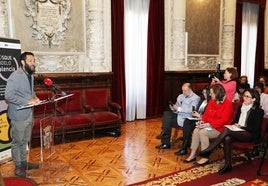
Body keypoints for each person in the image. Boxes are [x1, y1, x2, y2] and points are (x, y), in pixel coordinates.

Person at [198, 89, 264, 174]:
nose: (244, 98)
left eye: (247, 97)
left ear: (254, 99)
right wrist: (233, 125)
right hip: (238, 131)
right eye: (244, 96)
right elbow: (235, 121)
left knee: (226, 130)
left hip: (250, 134)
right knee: (227, 138)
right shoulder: (241, 107)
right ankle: (228, 165)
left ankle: (210, 149)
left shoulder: (258, 111)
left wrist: (241, 127)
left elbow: (255, 128)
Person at [5, 52, 40, 177]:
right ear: (23, 62)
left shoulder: (30, 75)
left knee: (24, 141)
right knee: (17, 141)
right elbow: (8, 96)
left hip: (28, 114)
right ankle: (18, 166)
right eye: (30, 61)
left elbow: (30, 92)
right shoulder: (15, 76)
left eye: (34, 60)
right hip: (18, 115)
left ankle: (24, 162)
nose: (33, 63)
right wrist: (27, 101)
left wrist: (36, 98)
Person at [183, 84, 233, 165]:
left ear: (217, 93)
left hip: (221, 129)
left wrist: (208, 124)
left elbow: (224, 120)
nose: (210, 94)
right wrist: (202, 122)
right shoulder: (211, 101)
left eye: (212, 93)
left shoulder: (227, 103)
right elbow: (206, 115)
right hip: (210, 126)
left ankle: (205, 157)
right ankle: (193, 154)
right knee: (196, 130)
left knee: (203, 132)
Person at [155, 83, 200, 149]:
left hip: (186, 119)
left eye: (185, 91)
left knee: (168, 120)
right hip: (178, 115)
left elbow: (191, 110)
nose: (183, 92)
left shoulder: (196, 98)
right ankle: (165, 140)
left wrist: (178, 109)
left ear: (190, 89)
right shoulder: (180, 96)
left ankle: (164, 138)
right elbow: (176, 108)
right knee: (167, 114)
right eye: (182, 90)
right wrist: (173, 108)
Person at [174, 85, 211, 155]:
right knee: (187, 121)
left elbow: (208, 117)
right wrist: (195, 114)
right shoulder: (202, 101)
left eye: (206, 93)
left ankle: (184, 147)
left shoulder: (211, 103)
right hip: (196, 118)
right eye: (203, 92)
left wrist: (199, 116)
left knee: (187, 124)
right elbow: (195, 110)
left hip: (203, 121)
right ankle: (185, 145)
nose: (204, 94)